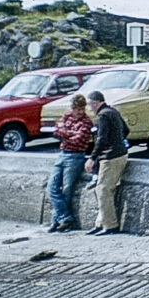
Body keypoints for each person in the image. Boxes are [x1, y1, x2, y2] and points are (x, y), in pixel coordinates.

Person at [84, 91, 129, 236]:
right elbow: (126, 130)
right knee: (103, 190)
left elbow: (101, 139)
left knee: (103, 191)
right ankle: (101, 223)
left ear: (95, 103)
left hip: (110, 158)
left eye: (90, 105)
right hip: (120, 154)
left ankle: (110, 226)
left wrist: (92, 157)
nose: (89, 108)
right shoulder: (113, 111)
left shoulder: (102, 116)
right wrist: (118, 142)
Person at [48, 94, 93, 232]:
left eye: (82, 109)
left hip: (75, 157)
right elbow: (56, 131)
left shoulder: (87, 122)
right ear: (72, 108)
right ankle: (65, 218)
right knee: (52, 187)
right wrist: (69, 133)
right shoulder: (66, 116)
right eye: (77, 109)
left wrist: (65, 133)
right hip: (63, 154)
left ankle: (57, 222)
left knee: (67, 189)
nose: (80, 112)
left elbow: (78, 140)